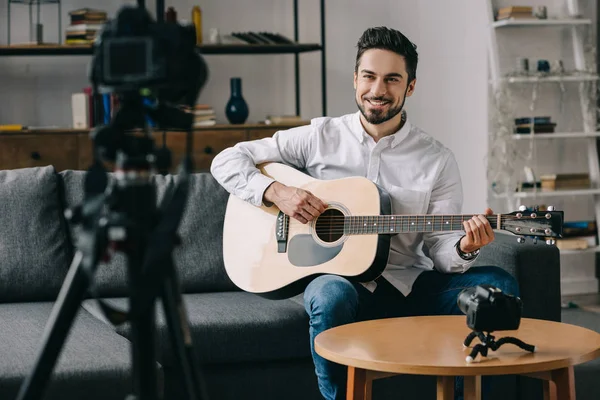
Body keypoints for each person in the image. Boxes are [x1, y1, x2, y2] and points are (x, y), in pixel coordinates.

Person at [210, 26, 518, 400]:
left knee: (499, 285)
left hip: (410, 284)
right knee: (329, 295)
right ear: (356, 79)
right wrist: (276, 191)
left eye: (392, 79)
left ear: (411, 86)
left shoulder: (436, 160)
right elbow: (227, 159)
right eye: (369, 77)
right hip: (343, 282)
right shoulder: (320, 136)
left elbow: (440, 248)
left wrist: (465, 247)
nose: (377, 90)